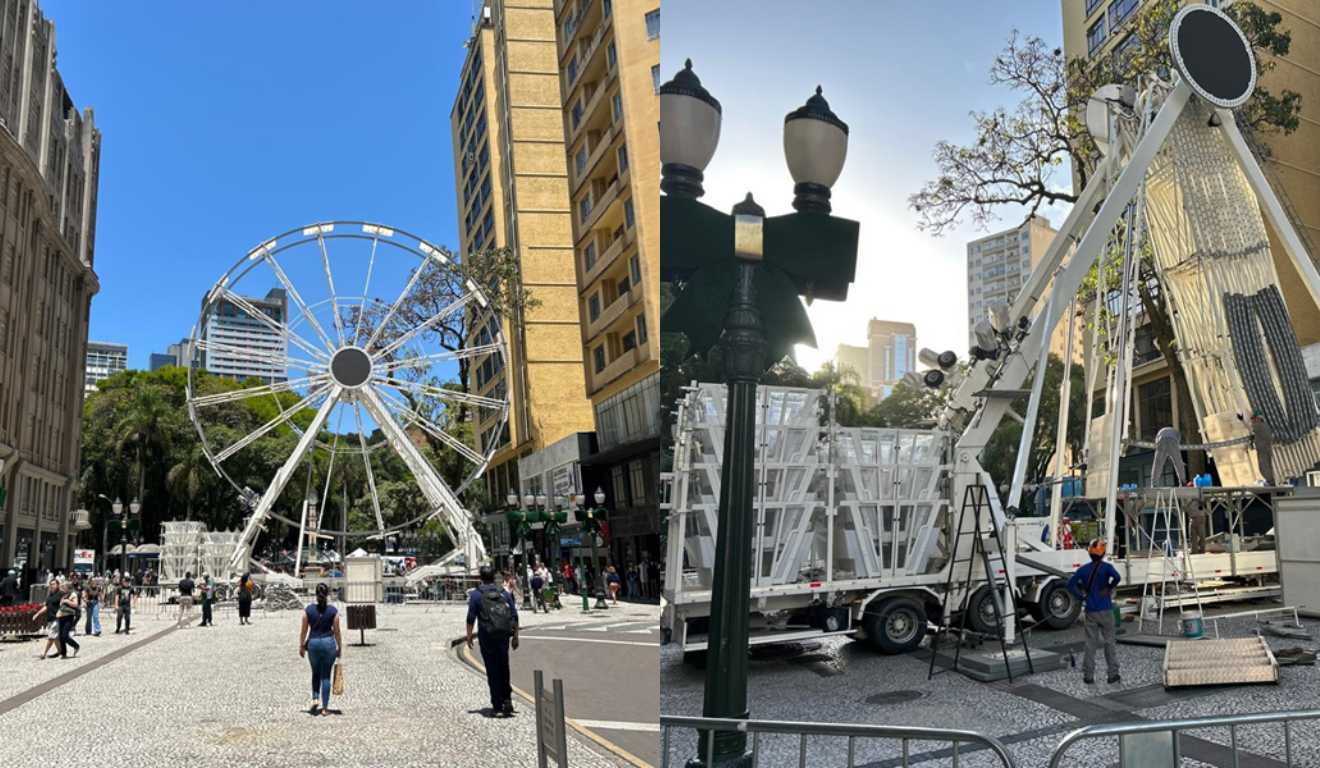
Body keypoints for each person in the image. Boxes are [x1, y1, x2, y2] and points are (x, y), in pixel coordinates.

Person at [465, 565, 519, 717]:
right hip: (503, 636)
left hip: (487, 637)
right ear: (494, 577)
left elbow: (470, 618)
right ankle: (507, 698)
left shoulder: (476, 595)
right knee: (504, 666)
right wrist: (515, 637)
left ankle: (497, 703)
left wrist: (469, 636)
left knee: (492, 669)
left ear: (480, 577)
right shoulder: (503, 593)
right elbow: (514, 615)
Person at [1067, 538, 1122, 685]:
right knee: (1109, 642)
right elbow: (1117, 577)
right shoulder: (1107, 568)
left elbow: (1070, 584)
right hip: (1106, 609)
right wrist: (1109, 588)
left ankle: (1089, 676)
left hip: (1091, 611)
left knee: (1090, 644)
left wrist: (1081, 596)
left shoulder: (1083, 570)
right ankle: (1112, 674)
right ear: (1103, 553)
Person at [298, 582, 342, 715]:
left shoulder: (308, 610)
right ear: (327, 595)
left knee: (315, 672)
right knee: (326, 676)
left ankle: (315, 698)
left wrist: (301, 645)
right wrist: (339, 646)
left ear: (316, 595)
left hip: (313, 644)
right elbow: (337, 631)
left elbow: (304, 630)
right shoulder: (333, 611)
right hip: (328, 643)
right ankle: (325, 708)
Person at [32, 578, 63, 660]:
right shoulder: (50, 595)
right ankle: (61, 651)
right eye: (51, 584)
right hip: (50, 618)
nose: (52, 586)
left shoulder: (61, 594)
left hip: (57, 618)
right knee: (55, 637)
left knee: (51, 636)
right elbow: (46, 606)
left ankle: (44, 653)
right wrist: (37, 614)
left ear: (58, 585)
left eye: (53, 584)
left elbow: (64, 605)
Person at [55, 580, 81, 659]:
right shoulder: (63, 595)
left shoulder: (73, 594)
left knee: (65, 635)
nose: (62, 588)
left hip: (69, 616)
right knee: (60, 636)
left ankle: (76, 646)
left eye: (64, 586)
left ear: (68, 587)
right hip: (61, 616)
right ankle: (64, 653)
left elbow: (76, 604)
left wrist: (67, 601)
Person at [1250, 412, 1276, 486]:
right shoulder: (1265, 425)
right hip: (1266, 449)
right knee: (1267, 466)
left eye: (1253, 420)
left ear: (1257, 419)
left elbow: (1250, 428)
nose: (1252, 421)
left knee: (1263, 466)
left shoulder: (1258, 425)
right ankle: (1271, 482)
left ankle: (1270, 482)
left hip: (1263, 449)